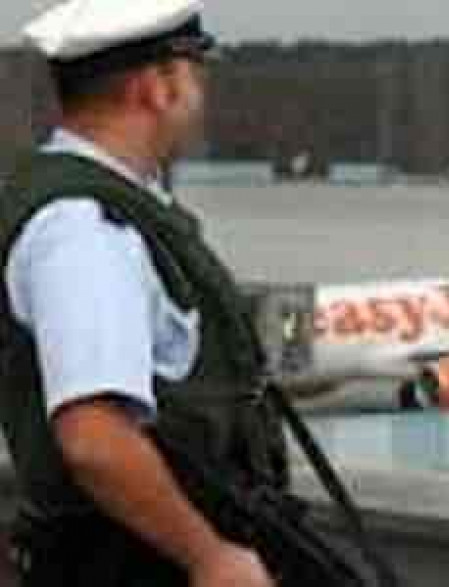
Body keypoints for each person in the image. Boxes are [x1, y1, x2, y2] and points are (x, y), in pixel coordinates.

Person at [0, 1, 288, 585]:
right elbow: (94, 437)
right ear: (159, 86)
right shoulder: (84, 227)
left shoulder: (114, 205)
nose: (200, 93)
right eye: (194, 72)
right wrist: (209, 556)